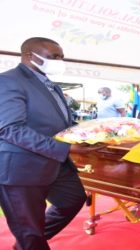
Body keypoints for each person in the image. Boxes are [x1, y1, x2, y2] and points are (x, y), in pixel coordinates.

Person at [0, 37, 87, 250]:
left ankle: (30, 242)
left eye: (61, 57)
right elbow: (10, 129)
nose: (59, 61)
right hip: (20, 168)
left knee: (73, 199)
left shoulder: (50, 84)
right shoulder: (9, 81)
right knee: (28, 229)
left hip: (54, 162)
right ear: (30, 56)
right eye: (54, 56)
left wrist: (91, 132)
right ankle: (31, 241)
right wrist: (66, 148)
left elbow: (59, 121)